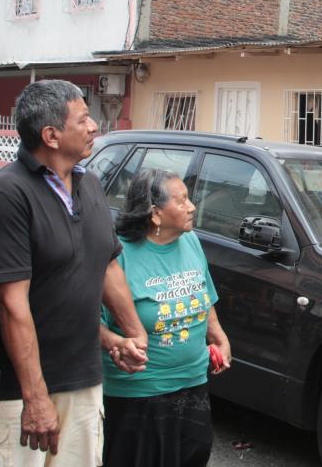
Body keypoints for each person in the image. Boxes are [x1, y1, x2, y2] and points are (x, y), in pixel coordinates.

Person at [0, 79, 148, 466]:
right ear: (52, 135)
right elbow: (11, 304)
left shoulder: (88, 184)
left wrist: (131, 332)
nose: (94, 127)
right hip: (23, 393)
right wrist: (35, 398)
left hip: (83, 380)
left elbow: (106, 264)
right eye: (84, 119)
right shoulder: (7, 195)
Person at [99, 168, 232, 466]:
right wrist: (116, 343)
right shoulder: (117, 254)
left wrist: (219, 337)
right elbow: (90, 320)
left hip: (193, 384)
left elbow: (204, 292)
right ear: (155, 214)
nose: (192, 206)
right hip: (139, 393)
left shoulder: (190, 241)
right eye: (182, 200)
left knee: (193, 456)